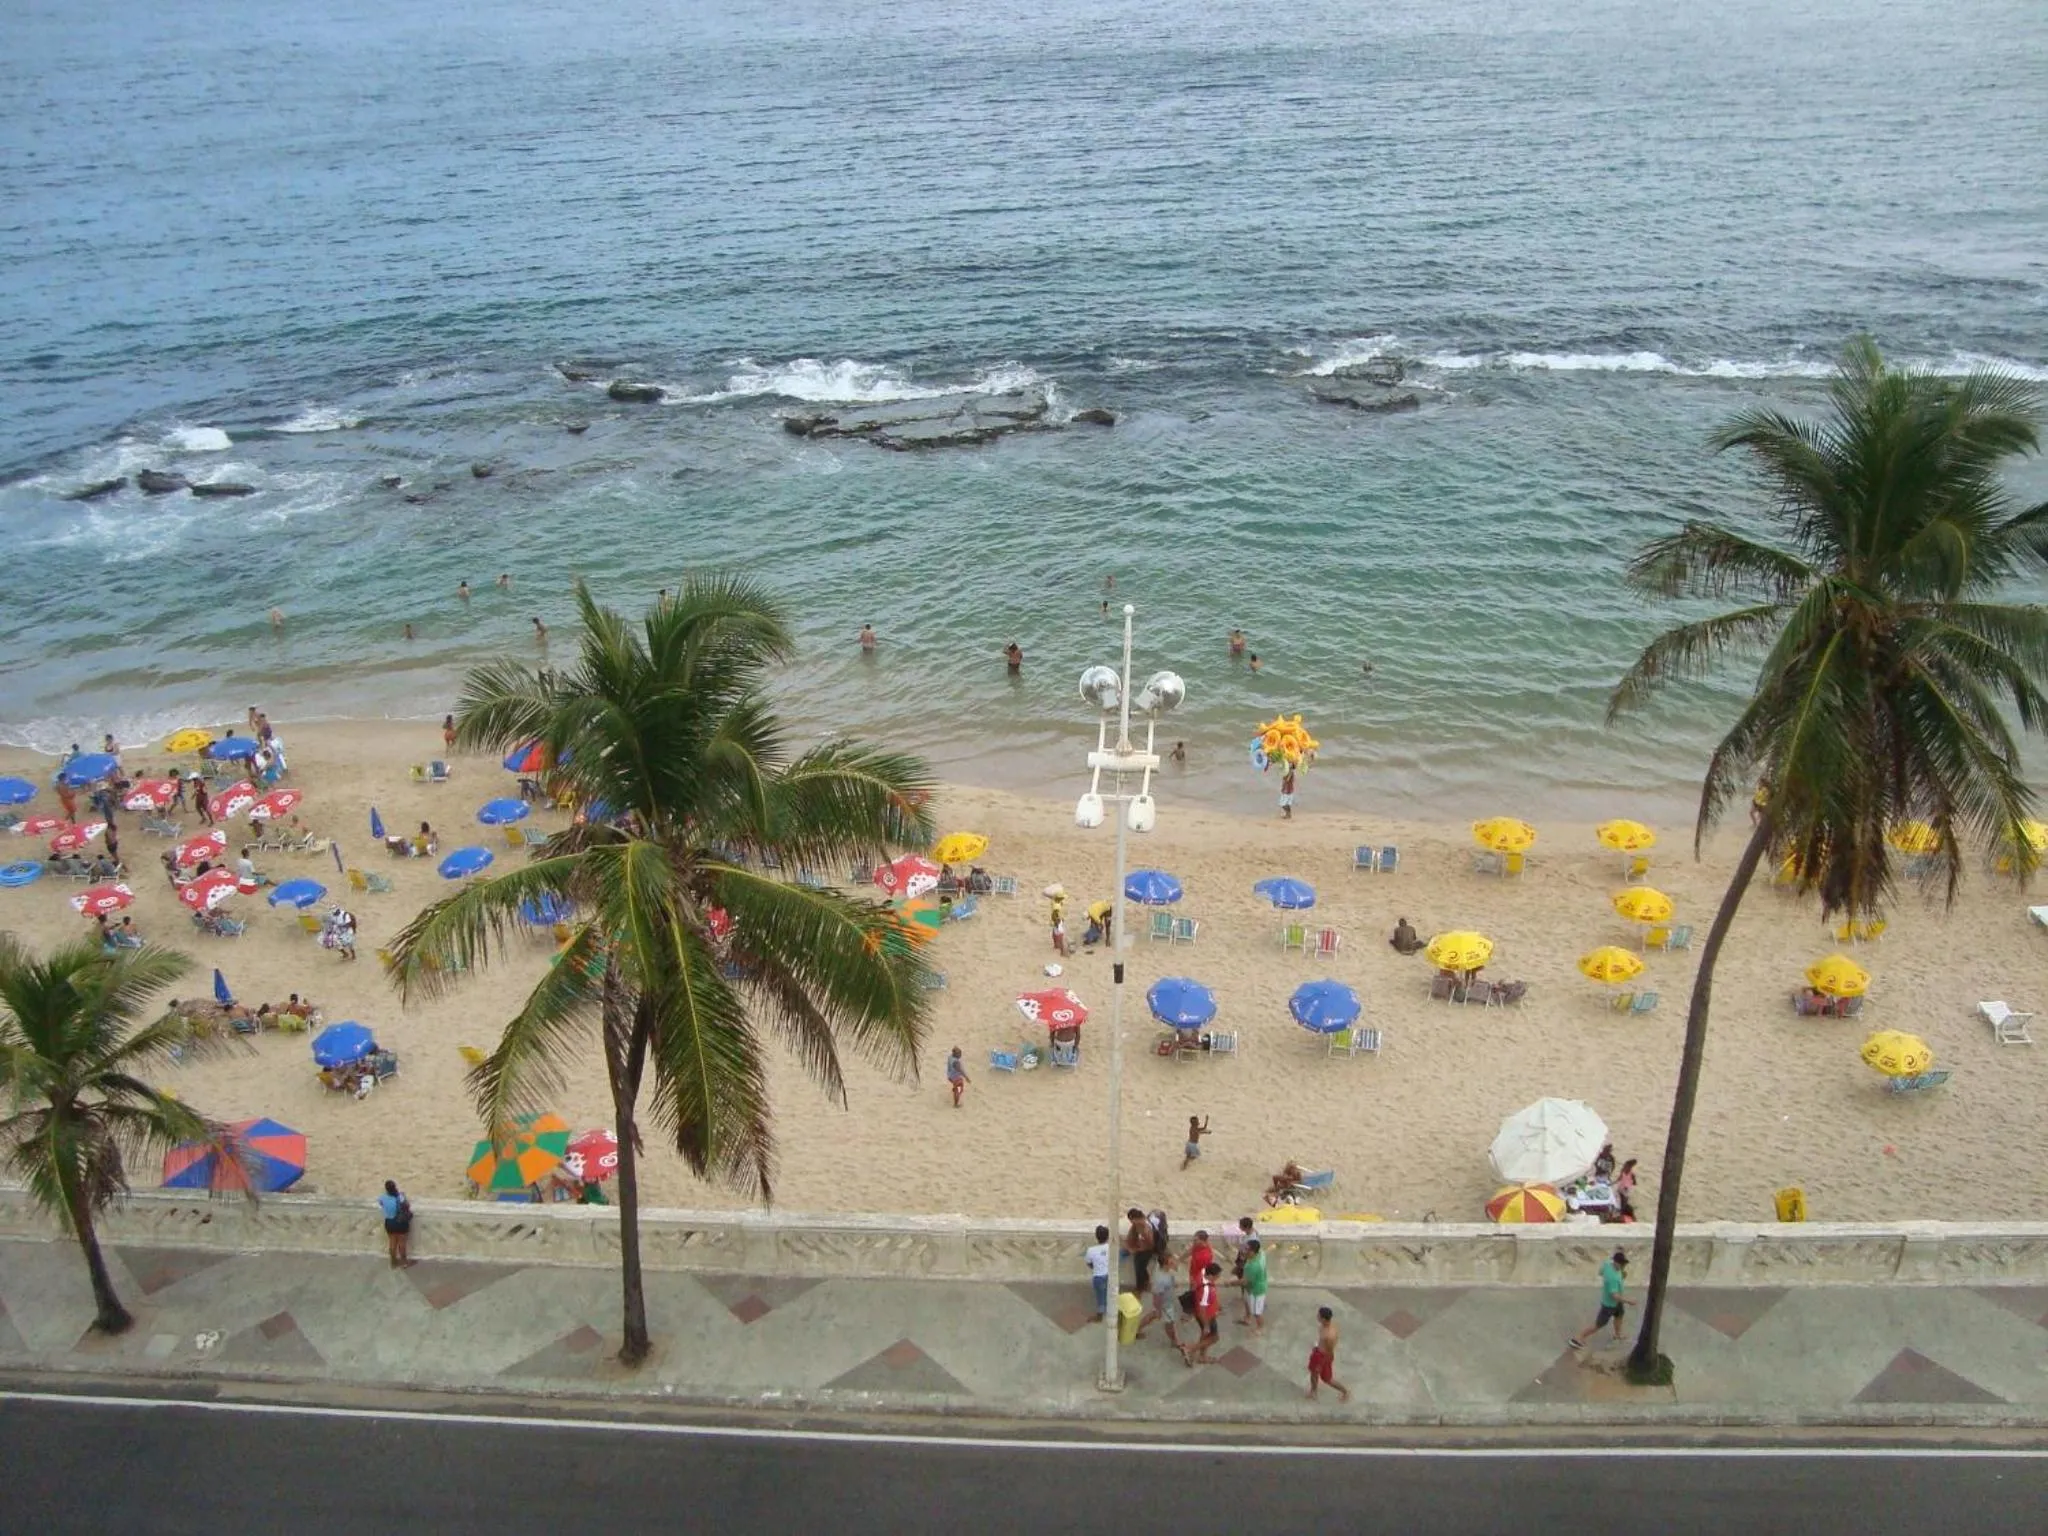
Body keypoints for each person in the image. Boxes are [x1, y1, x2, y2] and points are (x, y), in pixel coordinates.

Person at [1569, 1249, 1630, 1350]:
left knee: (1619, 1315)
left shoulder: (1608, 1264)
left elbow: (1600, 1272)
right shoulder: (1613, 1278)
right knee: (1599, 1324)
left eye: (1624, 1263)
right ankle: (1577, 1338)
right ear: (1615, 1262)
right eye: (1621, 1264)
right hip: (1609, 1304)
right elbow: (1614, 1295)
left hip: (1617, 1303)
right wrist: (1629, 1301)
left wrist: (1621, 1275)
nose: (1623, 1266)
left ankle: (1618, 1334)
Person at [1136, 1241, 1182, 1352]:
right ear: (1166, 1264)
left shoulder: (1164, 1271)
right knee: (1169, 1323)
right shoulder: (1161, 1280)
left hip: (1166, 1301)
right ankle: (1175, 1341)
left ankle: (1137, 1329)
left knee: (1153, 1315)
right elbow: (1157, 1296)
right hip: (1165, 1304)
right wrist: (1158, 1308)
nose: (1174, 1262)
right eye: (1171, 1261)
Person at [1307, 1307, 1352, 1401]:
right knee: (1314, 1373)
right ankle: (1313, 1391)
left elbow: (1329, 1349)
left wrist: (1322, 1361)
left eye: (1319, 1315)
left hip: (1322, 1356)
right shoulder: (1325, 1326)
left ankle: (1345, 1391)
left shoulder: (1329, 1334)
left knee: (1326, 1378)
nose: (1317, 1317)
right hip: (1319, 1352)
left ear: (1323, 1318)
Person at [1187, 1262, 1223, 1365]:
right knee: (1214, 1337)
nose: (1218, 1278)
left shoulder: (1202, 1273)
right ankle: (1190, 1350)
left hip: (1202, 1313)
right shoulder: (1206, 1289)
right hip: (1207, 1316)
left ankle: (1201, 1356)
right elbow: (1202, 1308)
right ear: (1210, 1275)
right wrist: (1206, 1324)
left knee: (1205, 1336)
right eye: (1217, 1276)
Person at [378, 1180, 415, 1267]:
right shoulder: (400, 1197)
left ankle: (393, 1262)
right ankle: (404, 1262)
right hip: (400, 1222)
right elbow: (407, 1206)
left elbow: (381, 1204)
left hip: (389, 1222)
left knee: (392, 1242)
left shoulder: (382, 1198)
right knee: (401, 1243)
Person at [1237, 1238, 1269, 1334]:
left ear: (1252, 1252)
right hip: (1252, 1287)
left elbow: (1244, 1281)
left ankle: (1260, 1327)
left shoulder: (1253, 1266)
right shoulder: (1260, 1254)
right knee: (1247, 1301)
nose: (1244, 1251)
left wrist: (1229, 1283)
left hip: (1257, 1291)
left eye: (1247, 1249)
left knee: (1257, 1312)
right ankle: (1247, 1318)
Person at [1124, 1207, 1156, 1292]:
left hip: (1147, 1250)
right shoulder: (1137, 1225)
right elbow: (1130, 1237)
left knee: (1140, 1267)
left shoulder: (1145, 1226)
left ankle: (1142, 1286)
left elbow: (1151, 1242)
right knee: (1139, 1267)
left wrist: (1143, 1235)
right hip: (1140, 1249)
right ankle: (1142, 1285)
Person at [1085, 1225, 1112, 1320]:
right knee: (1110, 1294)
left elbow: (1089, 1263)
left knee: (1100, 1296)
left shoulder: (1091, 1250)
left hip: (1098, 1276)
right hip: (1109, 1274)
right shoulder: (1111, 1248)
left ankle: (1100, 1315)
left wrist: (1096, 1267)